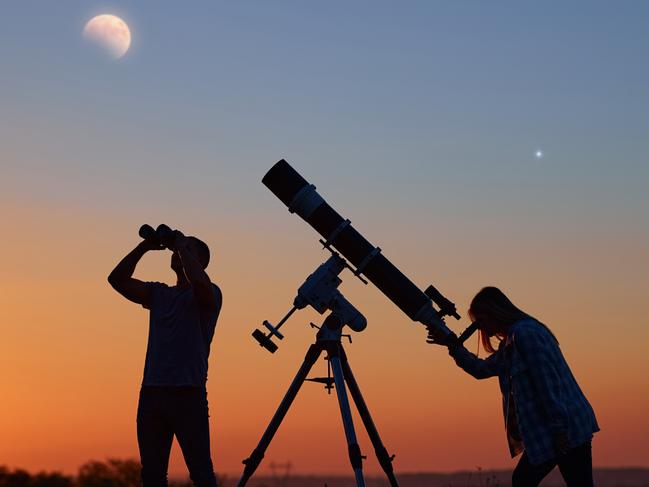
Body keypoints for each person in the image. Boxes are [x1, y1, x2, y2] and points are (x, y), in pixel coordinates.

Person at [428, 286, 599, 487]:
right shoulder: (512, 341)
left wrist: (559, 429)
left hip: (562, 428)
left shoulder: (525, 335)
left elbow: (547, 384)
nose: (481, 329)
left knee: (523, 480)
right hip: (559, 428)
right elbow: (480, 369)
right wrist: (452, 345)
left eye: (481, 321)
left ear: (493, 313)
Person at [108, 229, 222, 487]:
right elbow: (117, 279)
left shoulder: (211, 292)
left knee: (201, 473)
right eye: (178, 250)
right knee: (151, 475)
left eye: (189, 251)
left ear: (201, 263)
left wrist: (181, 245)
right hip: (152, 394)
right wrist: (144, 247)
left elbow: (201, 286)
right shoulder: (159, 294)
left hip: (188, 394)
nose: (179, 252)